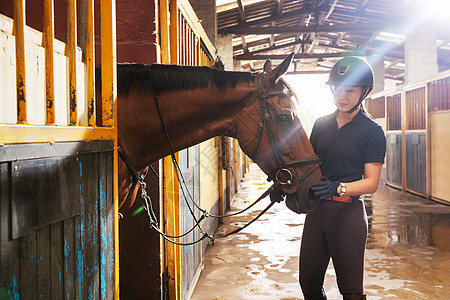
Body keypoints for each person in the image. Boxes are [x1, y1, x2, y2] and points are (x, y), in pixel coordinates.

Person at [299, 56, 386, 300]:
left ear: (364, 91)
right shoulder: (321, 124)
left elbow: (372, 182)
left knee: (351, 291)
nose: (341, 95)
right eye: (337, 88)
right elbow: (310, 166)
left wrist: (339, 188)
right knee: (309, 284)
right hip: (316, 213)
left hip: (347, 215)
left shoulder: (372, 132)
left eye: (349, 89)